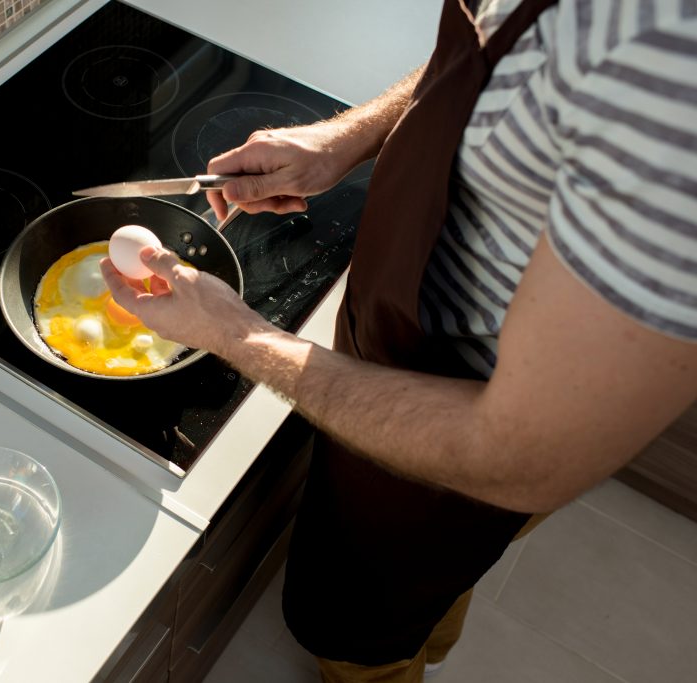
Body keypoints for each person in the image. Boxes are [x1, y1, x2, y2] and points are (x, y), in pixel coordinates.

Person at [101, 0, 697, 680]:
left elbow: (523, 457)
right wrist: (341, 142)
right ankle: (430, 644)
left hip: (460, 430)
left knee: (358, 637)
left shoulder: (672, 74)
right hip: (397, 330)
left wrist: (235, 333)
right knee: (428, 593)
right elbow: (480, 67)